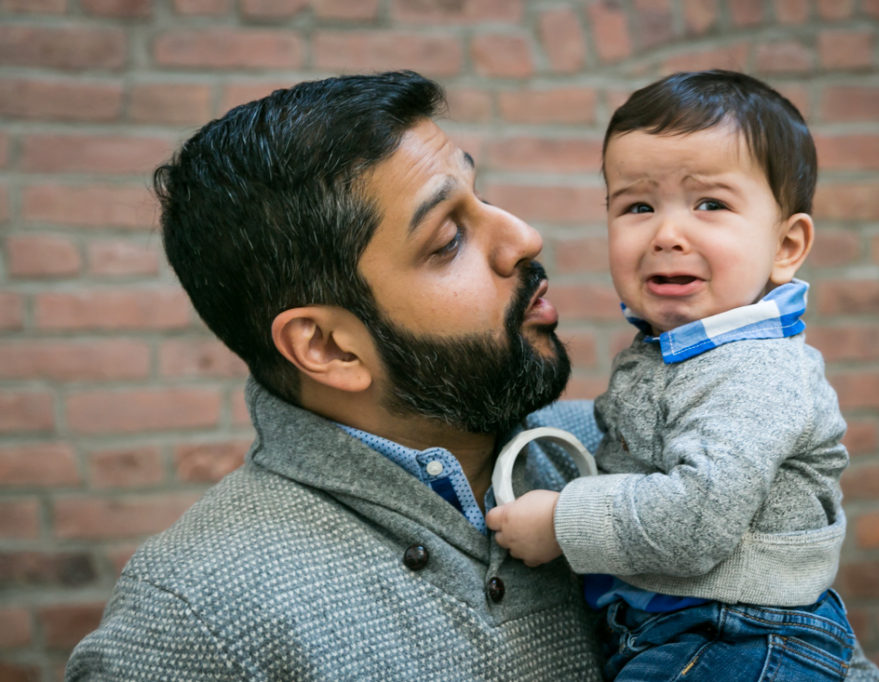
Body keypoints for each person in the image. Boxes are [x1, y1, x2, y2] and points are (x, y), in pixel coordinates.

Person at [65, 71, 606, 680]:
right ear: (326, 347)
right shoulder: (196, 619)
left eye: (479, 194)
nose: (523, 238)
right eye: (448, 239)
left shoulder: (636, 452)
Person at [486, 70, 879, 680]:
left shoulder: (758, 371)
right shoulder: (671, 351)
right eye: (638, 206)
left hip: (740, 636)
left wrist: (561, 522)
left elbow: (695, 522)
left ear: (786, 246)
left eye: (710, 204)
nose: (668, 234)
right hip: (679, 626)